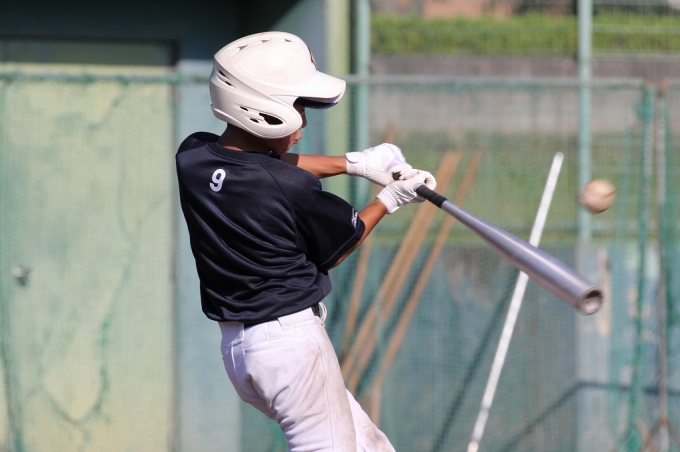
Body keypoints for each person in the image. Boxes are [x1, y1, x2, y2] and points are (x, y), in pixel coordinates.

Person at [175, 31, 436, 451]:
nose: (303, 121)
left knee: (371, 446)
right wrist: (390, 199)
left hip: (241, 351)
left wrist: (354, 164)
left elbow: (261, 167)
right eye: (298, 106)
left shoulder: (192, 156)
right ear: (261, 110)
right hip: (290, 346)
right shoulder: (292, 188)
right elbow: (344, 242)